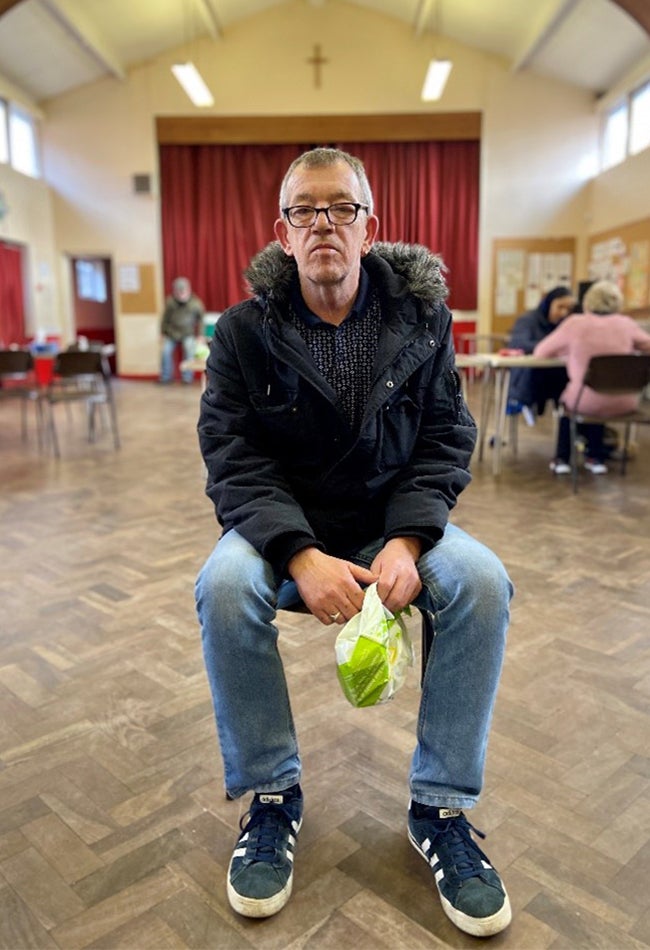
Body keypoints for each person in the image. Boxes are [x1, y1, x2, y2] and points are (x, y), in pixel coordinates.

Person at [195, 147, 513, 938]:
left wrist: (407, 540)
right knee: (223, 586)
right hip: (285, 528)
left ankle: (440, 809)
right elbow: (232, 457)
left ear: (371, 227)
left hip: (390, 522)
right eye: (306, 209)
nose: (324, 224)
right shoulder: (240, 333)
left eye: (343, 208)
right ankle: (273, 798)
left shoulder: (424, 320)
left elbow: (445, 439)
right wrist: (298, 553)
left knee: (481, 581)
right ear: (284, 231)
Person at [534, 279, 650, 474]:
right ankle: (595, 457)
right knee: (602, 390)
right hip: (626, 402)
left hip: (585, 402)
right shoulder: (627, 324)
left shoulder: (575, 323)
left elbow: (541, 352)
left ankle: (562, 459)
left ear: (587, 303)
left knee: (573, 400)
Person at [506, 286, 575, 420]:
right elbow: (520, 344)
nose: (564, 313)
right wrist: (552, 349)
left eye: (568, 308)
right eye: (560, 307)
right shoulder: (527, 320)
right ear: (548, 303)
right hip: (529, 375)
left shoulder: (566, 323)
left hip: (555, 374)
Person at [159, 276, 205, 383]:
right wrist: (162, 332)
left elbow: (201, 319)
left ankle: (187, 378)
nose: (181, 295)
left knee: (189, 350)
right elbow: (164, 318)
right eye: (178, 292)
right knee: (165, 351)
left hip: (188, 333)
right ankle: (166, 377)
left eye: (183, 292)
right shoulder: (170, 302)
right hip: (172, 333)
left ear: (188, 290)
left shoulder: (196, 303)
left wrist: (200, 335)